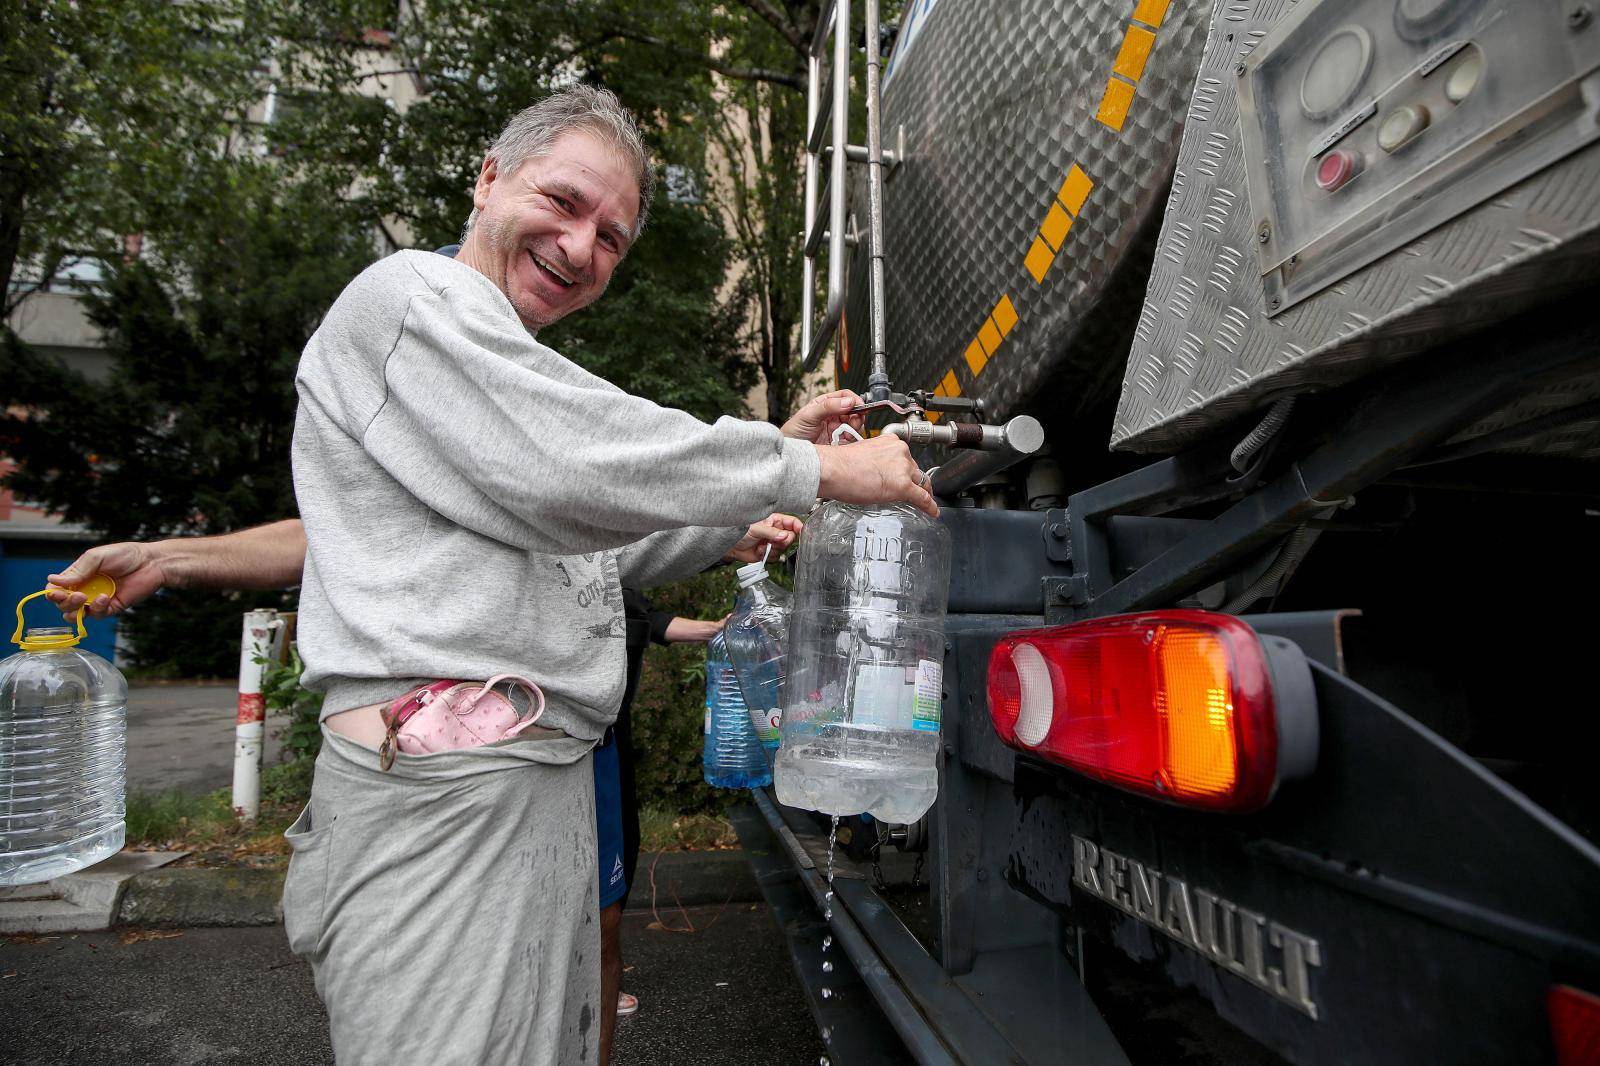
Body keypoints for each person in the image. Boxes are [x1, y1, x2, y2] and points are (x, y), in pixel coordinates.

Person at [61, 85, 935, 1064]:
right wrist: (807, 466)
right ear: (487, 178)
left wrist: (744, 500)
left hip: (530, 779)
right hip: (446, 791)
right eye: (562, 203)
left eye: (611, 237)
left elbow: (591, 544)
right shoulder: (410, 299)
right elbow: (568, 457)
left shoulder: (494, 381)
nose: (581, 247)